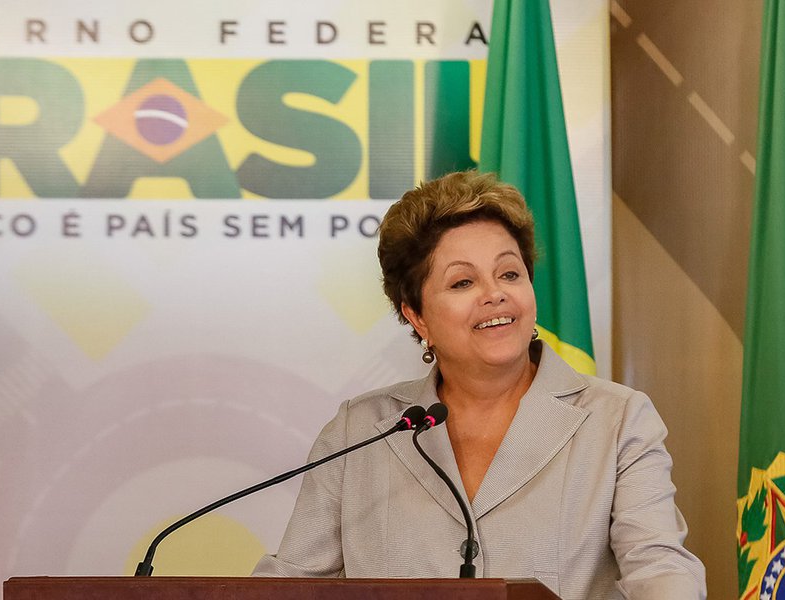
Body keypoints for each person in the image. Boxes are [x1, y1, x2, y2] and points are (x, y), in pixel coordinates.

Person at [253, 171, 706, 598]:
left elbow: (659, 567)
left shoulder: (616, 420)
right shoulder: (361, 430)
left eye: (509, 273)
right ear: (417, 316)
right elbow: (292, 584)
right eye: (463, 281)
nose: (495, 293)